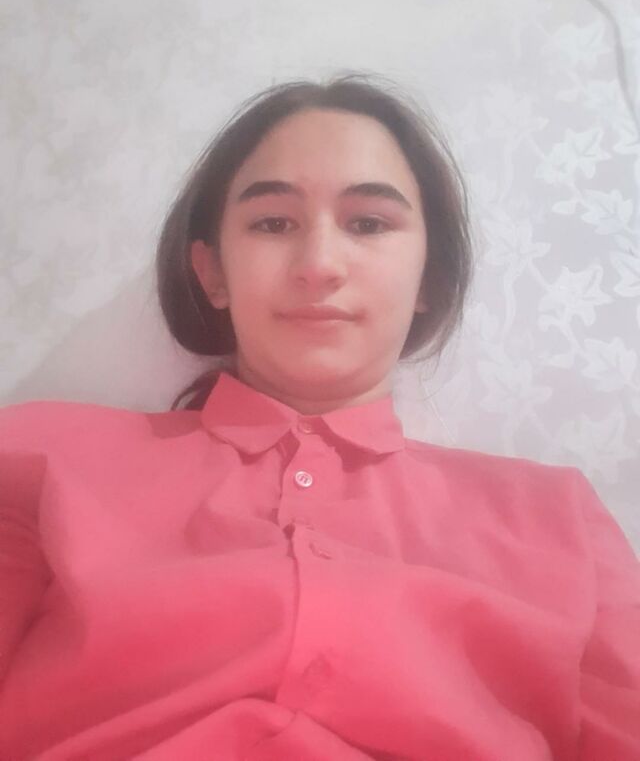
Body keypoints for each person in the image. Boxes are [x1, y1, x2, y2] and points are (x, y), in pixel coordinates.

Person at [0, 74, 638, 761]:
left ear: (429, 277)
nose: (319, 264)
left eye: (369, 223)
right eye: (273, 223)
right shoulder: (41, 457)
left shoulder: (559, 521)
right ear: (213, 272)